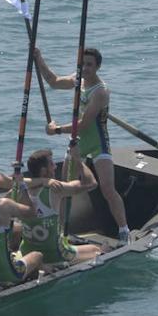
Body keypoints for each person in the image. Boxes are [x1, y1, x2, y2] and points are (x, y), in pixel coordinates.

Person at [35, 46, 131, 245]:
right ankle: (61, 230)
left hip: (97, 143)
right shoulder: (78, 80)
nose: (85, 69)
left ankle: (123, 230)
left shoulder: (101, 92)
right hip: (78, 141)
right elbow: (53, 82)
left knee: (107, 188)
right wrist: (39, 59)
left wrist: (57, 130)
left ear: (97, 67)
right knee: (62, 188)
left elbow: (85, 124)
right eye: (82, 64)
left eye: (89, 65)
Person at [14, 148, 105, 265]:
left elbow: (13, 182)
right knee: (96, 250)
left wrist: (23, 180)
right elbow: (91, 183)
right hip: (54, 255)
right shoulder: (55, 190)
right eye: (51, 164)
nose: (55, 167)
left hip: (27, 251)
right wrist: (78, 159)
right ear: (43, 170)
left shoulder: (18, 192)